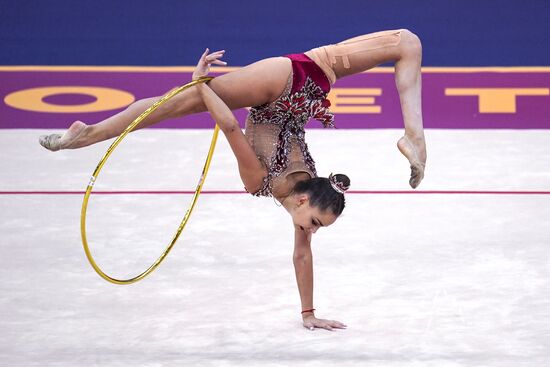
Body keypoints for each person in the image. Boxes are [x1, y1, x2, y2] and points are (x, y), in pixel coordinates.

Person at [39, 29, 427, 331]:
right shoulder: (259, 182)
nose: (313, 232)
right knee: (180, 102)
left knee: (407, 42)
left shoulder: (305, 191)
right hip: (284, 83)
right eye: (316, 224)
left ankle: (413, 136)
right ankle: (88, 134)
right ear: (305, 203)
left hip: (309, 80)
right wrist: (200, 84)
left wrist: (309, 314)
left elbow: (301, 254)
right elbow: (226, 124)